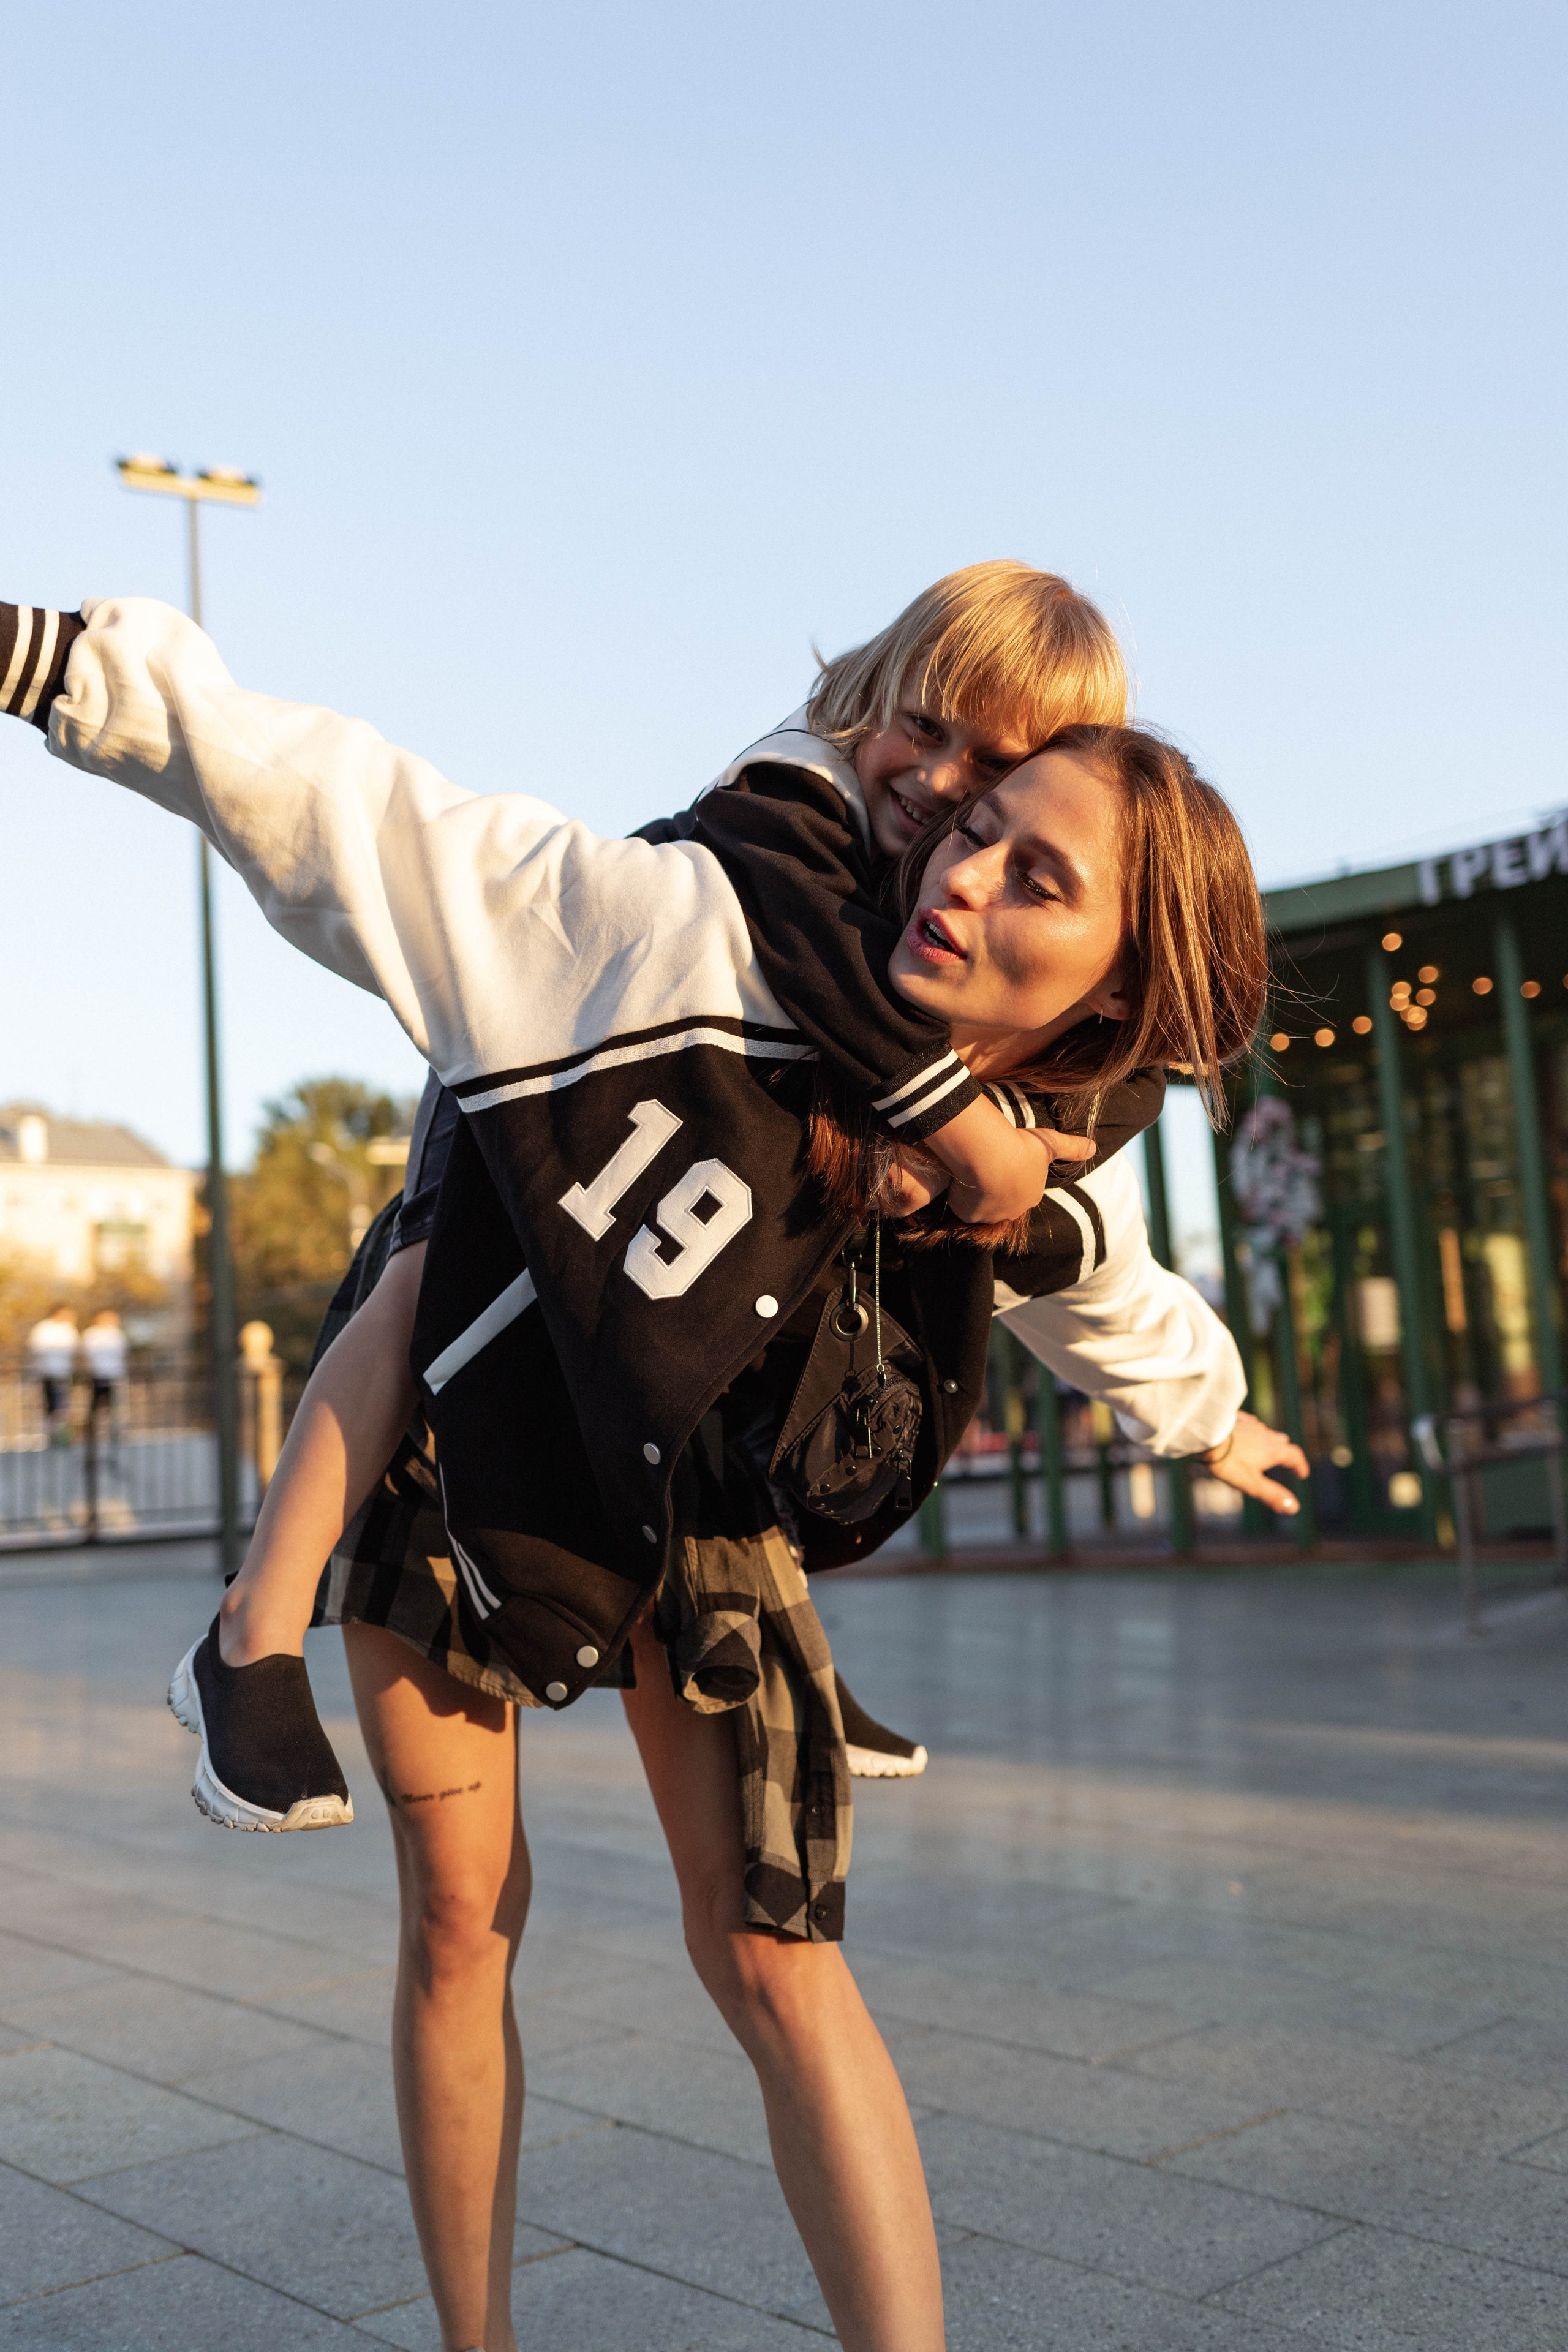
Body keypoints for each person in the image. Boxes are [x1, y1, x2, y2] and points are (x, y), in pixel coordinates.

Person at [7, 594, 1305, 2351]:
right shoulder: (696, 911)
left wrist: (1203, 1409)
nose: (957, 848)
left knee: (778, 1952)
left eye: (1020, 832)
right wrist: (69, 668)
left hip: (697, 1479)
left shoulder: (1027, 1106)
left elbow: (1076, 1269)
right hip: (487, 1430)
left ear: (1118, 978)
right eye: (960, 799)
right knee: (466, 1922)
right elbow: (356, 810)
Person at [131, 565, 1148, 1805]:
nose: (937, 781)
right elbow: (814, 957)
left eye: (987, 770)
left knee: (749, 1325)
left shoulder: (944, 873)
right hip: (555, 1050)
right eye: (920, 725)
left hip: (674, 1119)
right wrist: (954, 1124)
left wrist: (1196, 1401)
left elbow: (1092, 1188)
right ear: (871, 687)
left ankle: (799, 1665)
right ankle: (253, 1636)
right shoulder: (796, 781)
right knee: (421, 1285)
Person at [26, 1303, 78, 1443]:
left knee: (63, 1404)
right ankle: (51, 1434)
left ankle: (61, 1434)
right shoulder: (44, 1328)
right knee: (50, 1403)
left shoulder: (68, 1329)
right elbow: (38, 1348)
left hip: (63, 1372)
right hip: (47, 1372)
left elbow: (73, 1348)